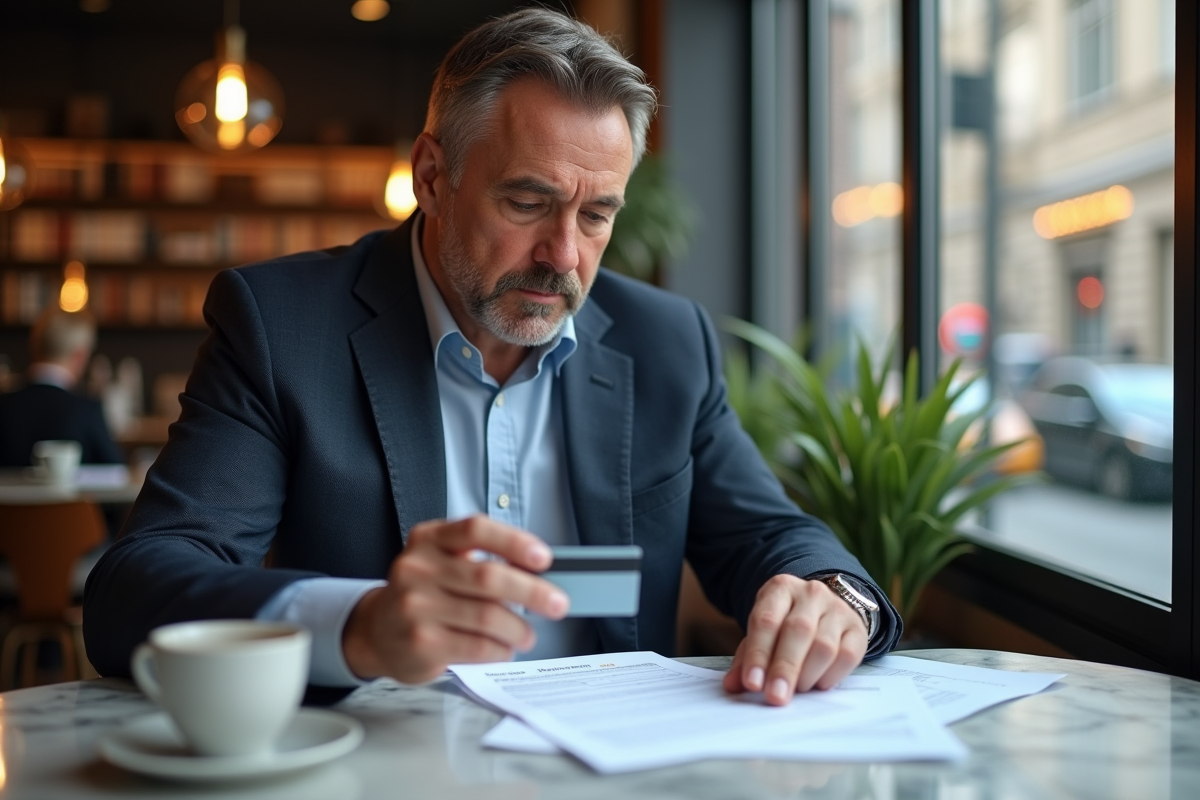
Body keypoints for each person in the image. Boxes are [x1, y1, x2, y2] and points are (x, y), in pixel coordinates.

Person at [83, 8, 901, 706]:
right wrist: (363, 625)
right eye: (527, 201)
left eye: (596, 216)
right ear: (432, 176)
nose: (564, 256)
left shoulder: (666, 343)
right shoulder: (284, 327)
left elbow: (771, 535)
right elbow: (135, 589)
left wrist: (836, 599)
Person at [0, 307, 124, 467]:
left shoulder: (3, 406)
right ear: (80, 356)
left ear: (34, 347)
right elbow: (116, 471)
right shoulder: (87, 410)